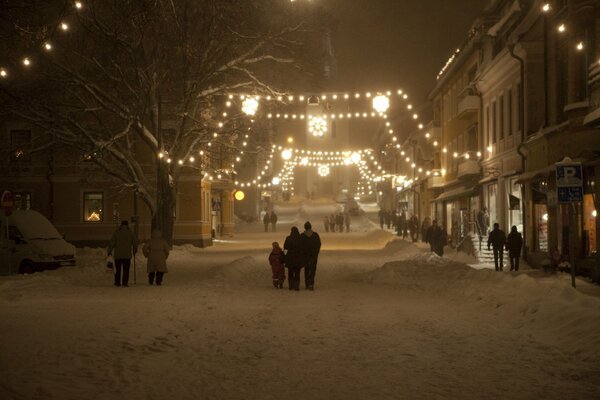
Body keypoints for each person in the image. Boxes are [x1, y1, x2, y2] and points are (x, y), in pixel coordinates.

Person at [107, 220, 138, 287]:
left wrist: (109, 251)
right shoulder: (130, 233)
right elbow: (135, 243)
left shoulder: (117, 232)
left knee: (118, 269)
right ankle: (125, 282)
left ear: (121, 225)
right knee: (126, 269)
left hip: (118, 254)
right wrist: (135, 250)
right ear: (127, 225)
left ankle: (117, 282)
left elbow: (112, 243)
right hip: (127, 255)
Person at [301, 221, 321, 291]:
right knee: (312, 270)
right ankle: (311, 284)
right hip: (313, 256)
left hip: (305, 256)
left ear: (305, 227)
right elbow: (319, 244)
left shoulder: (302, 236)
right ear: (311, 227)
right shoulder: (315, 235)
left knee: (306, 269)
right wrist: (316, 252)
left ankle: (307, 284)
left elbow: (300, 246)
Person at [284, 227, 303, 291]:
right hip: (298, 258)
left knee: (290, 272)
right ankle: (296, 286)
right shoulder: (300, 238)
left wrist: (285, 256)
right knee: (297, 272)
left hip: (290, 258)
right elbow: (302, 248)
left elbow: (285, 248)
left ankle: (291, 285)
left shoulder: (288, 238)